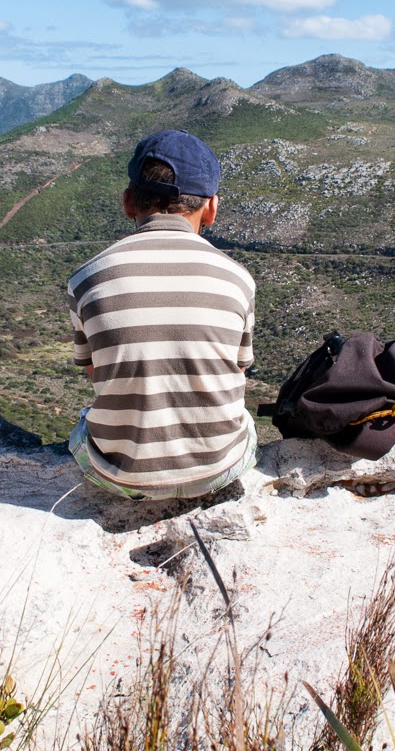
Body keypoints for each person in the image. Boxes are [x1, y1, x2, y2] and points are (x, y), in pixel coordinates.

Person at [65, 129, 257, 499]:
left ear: (127, 202)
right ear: (212, 208)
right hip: (217, 471)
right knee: (245, 421)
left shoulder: (85, 279)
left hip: (120, 477)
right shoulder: (238, 279)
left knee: (82, 428)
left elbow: (94, 369)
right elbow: (239, 368)